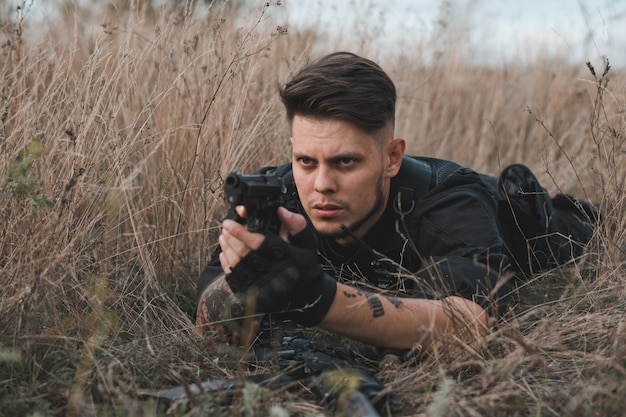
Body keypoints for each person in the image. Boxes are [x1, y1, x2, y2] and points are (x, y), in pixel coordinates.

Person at [195, 52, 597, 356]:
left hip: (538, 227)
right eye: (305, 161)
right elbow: (208, 323)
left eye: (345, 162)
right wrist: (243, 281)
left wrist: (316, 297)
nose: (321, 185)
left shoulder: (449, 201)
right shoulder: (271, 199)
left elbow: (472, 326)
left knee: (578, 229)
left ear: (391, 157)